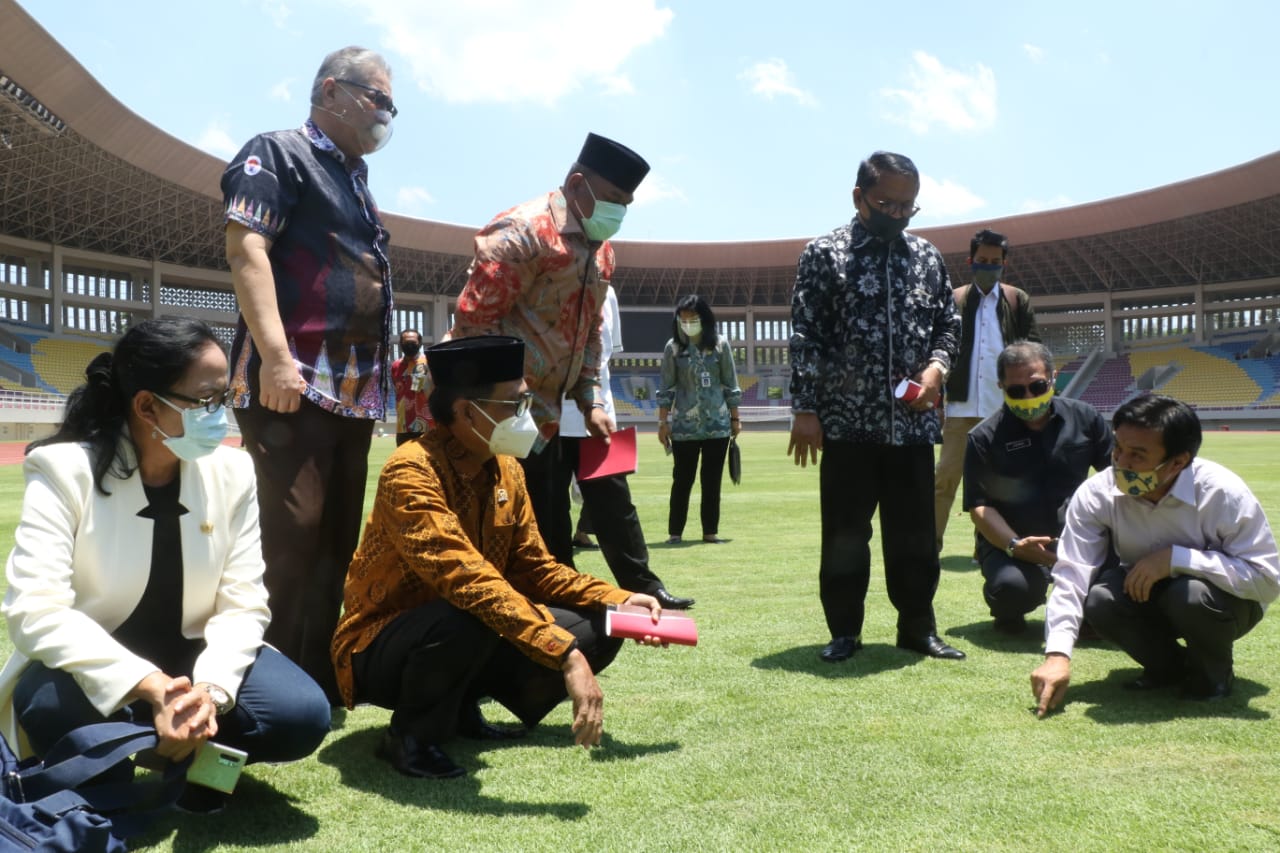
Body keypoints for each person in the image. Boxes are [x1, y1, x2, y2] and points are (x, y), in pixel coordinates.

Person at [0, 318, 330, 810]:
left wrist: (209, 696)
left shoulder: (233, 471)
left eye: (225, 396)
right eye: (206, 400)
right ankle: (124, 759)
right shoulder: (65, 469)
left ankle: (185, 756)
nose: (219, 414)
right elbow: (35, 611)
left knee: (299, 713)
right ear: (146, 405)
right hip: (96, 663)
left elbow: (243, 604)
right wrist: (151, 687)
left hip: (195, 657)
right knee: (47, 704)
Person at [331, 336, 664, 779]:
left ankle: (461, 706)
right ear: (467, 412)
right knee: (469, 612)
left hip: (466, 624)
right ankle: (411, 736)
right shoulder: (410, 470)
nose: (527, 414)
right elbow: (466, 580)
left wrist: (617, 598)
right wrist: (564, 653)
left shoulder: (507, 469)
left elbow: (536, 569)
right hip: (382, 643)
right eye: (515, 403)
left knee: (603, 621)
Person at [449, 132, 692, 610]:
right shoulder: (521, 232)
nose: (619, 213)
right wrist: (508, 393)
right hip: (505, 416)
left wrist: (591, 398)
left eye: (627, 205)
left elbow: (590, 332)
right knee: (511, 531)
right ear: (578, 185)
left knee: (563, 522)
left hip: (556, 414)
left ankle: (582, 610)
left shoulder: (601, 250)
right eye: (614, 199)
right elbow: (474, 322)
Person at [221, 46, 397, 702]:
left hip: (353, 394)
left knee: (334, 544)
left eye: (391, 106)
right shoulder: (278, 152)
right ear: (331, 91)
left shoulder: (355, 178)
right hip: (293, 382)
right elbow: (247, 248)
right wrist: (274, 357)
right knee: (290, 537)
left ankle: (315, 678)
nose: (385, 115)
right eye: (377, 99)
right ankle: (254, 685)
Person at [788, 150, 965, 663]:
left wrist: (937, 368)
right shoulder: (824, 253)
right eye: (887, 204)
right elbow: (806, 333)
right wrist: (805, 408)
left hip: (912, 426)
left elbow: (947, 325)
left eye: (908, 206)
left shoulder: (927, 256)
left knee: (915, 537)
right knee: (845, 536)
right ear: (858, 197)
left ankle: (918, 628)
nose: (898, 214)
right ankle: (845, 631)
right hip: (846, 425)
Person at [1031, 395, 1280, 716]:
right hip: (1147, 594)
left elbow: (1267, 580)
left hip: (1224, 605)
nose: (1120, 463)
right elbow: (1071, 574)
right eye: (1118, 448)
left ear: (1177, 462)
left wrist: (1178, 559)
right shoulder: (1096, 493)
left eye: (1137, 455)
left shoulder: (1222, 492)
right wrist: (1057, 655)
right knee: (1101, 600)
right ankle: (1170, 668)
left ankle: (1212, 675)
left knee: (1189, 594)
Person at [962, 341, 1112, 634]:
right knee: (1012, 590)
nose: (1029, 397)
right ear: (1001, 387)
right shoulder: (983, 437)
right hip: (1013, 541)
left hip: (1079, 539)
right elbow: (979, 506)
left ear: (1053, 378)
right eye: (1016, 391)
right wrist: (1014, 546)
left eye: (1037, 386)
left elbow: (1116, 479)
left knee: (1103, 607)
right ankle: (1009, 601)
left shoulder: (1086, 418)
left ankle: (1085, 603)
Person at [934, 229, 1039, 553]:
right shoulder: (954, 299)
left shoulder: (1016, 300)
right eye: (982, 260)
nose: (988, 266)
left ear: (1004, 263)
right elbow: (939, 347)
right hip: (960, 408)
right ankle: (929, 547)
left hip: (1004, 411)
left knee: (1002, 485)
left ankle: (992, 547)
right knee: (944, 481)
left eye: (995, 261)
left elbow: (1033, 348)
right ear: (971, 261)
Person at [656, 295, 743, 544]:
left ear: (704, 318)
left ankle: (710, 532)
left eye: (692, 318)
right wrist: (663, 423)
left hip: (717, 425)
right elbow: (666, 388)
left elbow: (731, 384)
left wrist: (735, 419)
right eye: (683, 319)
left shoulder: (720, 346)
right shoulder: (673, 348)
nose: (687, 323)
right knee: (682, 480)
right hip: (684, 427)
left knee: (712, 481)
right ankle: (675, 533)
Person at [392, 328, 431, 445]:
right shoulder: (395, 366)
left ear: (420, 344)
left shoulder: (428, 363)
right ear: (400, 344)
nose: (409, 345)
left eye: (413, 342)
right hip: (403, 426)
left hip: (425, 425)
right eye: (406, 342)